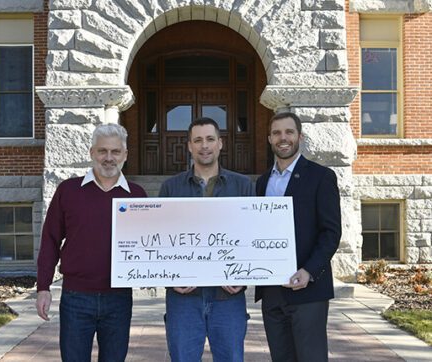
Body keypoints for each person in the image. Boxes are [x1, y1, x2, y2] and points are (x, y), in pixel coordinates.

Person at [36, 123, 147, 362]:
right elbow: (50, 240)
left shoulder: (137, 196)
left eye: (115, 152)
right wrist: (43, 287)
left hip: (118, 299)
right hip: (76, 298)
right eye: (102, 151)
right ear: (91, 153)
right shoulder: (69, 191)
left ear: (125, 155)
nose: (109, 158)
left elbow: (151, 244)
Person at [159, 117, 254, 362]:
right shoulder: (171, 189)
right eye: (198, 140)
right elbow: (159, 242)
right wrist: (170, 279)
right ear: (189, 146)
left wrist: (244, 277)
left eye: (210, 139)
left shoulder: (243, 186)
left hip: (228, 298)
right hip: (183, 299)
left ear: (220, 144)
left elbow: (253, 237)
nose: (204, 146)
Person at [255, 112, 341, 362]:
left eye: (289, 132)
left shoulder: (321, 176)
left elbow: (331, 233)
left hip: (308, 290)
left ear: (299, 136)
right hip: (272, 292)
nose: (283, 138)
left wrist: (309, 271)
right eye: (277, 133)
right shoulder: (262, 183)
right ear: (269, 138)